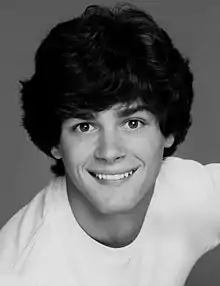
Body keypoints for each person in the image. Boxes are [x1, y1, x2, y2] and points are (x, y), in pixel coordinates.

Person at [0, 2, 219, 286]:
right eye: (85, 126)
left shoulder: (186, 191)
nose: (110, 151)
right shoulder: (20, 273)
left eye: (132, 123)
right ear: (55, 142)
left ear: (167, 132)